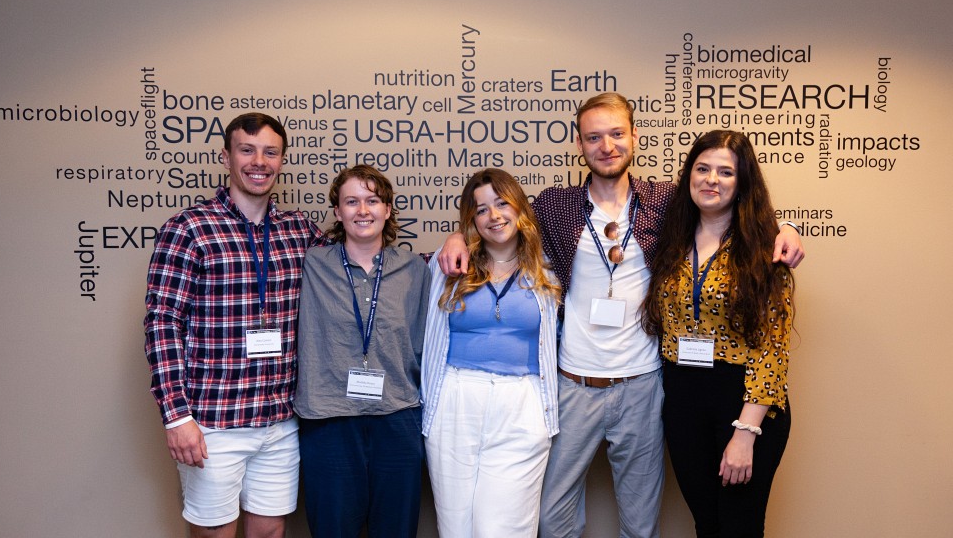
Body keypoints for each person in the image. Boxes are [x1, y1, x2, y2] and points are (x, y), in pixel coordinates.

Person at [438, 93, 804, 538]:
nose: (606, 145)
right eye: (594, 137)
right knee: (553, 518)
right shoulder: (555, 206)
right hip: (574, 382)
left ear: (634, 137)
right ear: (579, 144)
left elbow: (731, 208)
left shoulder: (667, 202)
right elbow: (498, 222)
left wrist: (786, 227)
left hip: (643, 384)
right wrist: (456, 238)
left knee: (641, 522)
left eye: (616, 134)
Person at [145, 112, 327, 538]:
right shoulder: (190, 229)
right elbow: (162, 323)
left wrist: (452, 249)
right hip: (213, 422)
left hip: (280, 420)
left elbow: (358, 264)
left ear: (282, 159)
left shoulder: (298, 230)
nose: (258, 161)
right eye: (247, 150)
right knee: (215, 533)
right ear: (226, 156)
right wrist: (176, 418)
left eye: (270, 152)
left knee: (269, 532)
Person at [643, 130, 793, 537]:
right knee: (707, 525)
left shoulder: (766, 248)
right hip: (683, 398)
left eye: (725, 172)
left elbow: (772, 348)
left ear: (743, 181)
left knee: (739, 528)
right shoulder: (668, 238)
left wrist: (745, 433)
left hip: (743, 400)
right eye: (703, 168)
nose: (711, 179)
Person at [421, 168, 561, 537]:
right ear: (471, 220)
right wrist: (453, 239)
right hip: (454, 398)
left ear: (519, 208)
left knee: (503, 528)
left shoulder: (549, 268)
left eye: (501, 204)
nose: (494, 216)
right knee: (455, 526)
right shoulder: (450, 264)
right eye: (481, 210)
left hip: (522, 403)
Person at [294, 164, 431, 538]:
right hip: (329, 418)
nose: (363, 210)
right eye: (351, 201)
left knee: (396, 530)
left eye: (373, 200)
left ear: (388, 209)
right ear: (337, 212)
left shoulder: (416, 269)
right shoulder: (311, 263)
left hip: (398, 417)